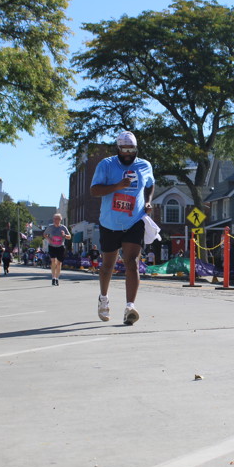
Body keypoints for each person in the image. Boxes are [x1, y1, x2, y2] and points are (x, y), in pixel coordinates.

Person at [89, 130, 154, 324]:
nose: (127, 154)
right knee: (108, 265)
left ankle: (130, 307)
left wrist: (148, 201)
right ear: (117, 149)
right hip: (109, 222)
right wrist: (117, 186)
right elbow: (94, 190)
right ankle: (103, 298)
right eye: (124, 150)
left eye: (131, 150)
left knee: (132, 262)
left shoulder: (144, 165)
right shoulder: (106, 165)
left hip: (134, 221)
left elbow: (150, 184)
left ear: (136, 149)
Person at [41, 213, 71, 285]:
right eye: (54, 219)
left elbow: (69, 237)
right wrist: (49, 239)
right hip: (52, 246)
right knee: (53, 261)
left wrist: (64, 235)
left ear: (60, 220)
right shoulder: (50, 227)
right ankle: (53, 277)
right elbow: (45, 234)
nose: (55, 220)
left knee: (59, 263)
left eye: (57, 219)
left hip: (60, 247)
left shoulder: (63, 227)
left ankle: (57, 278)